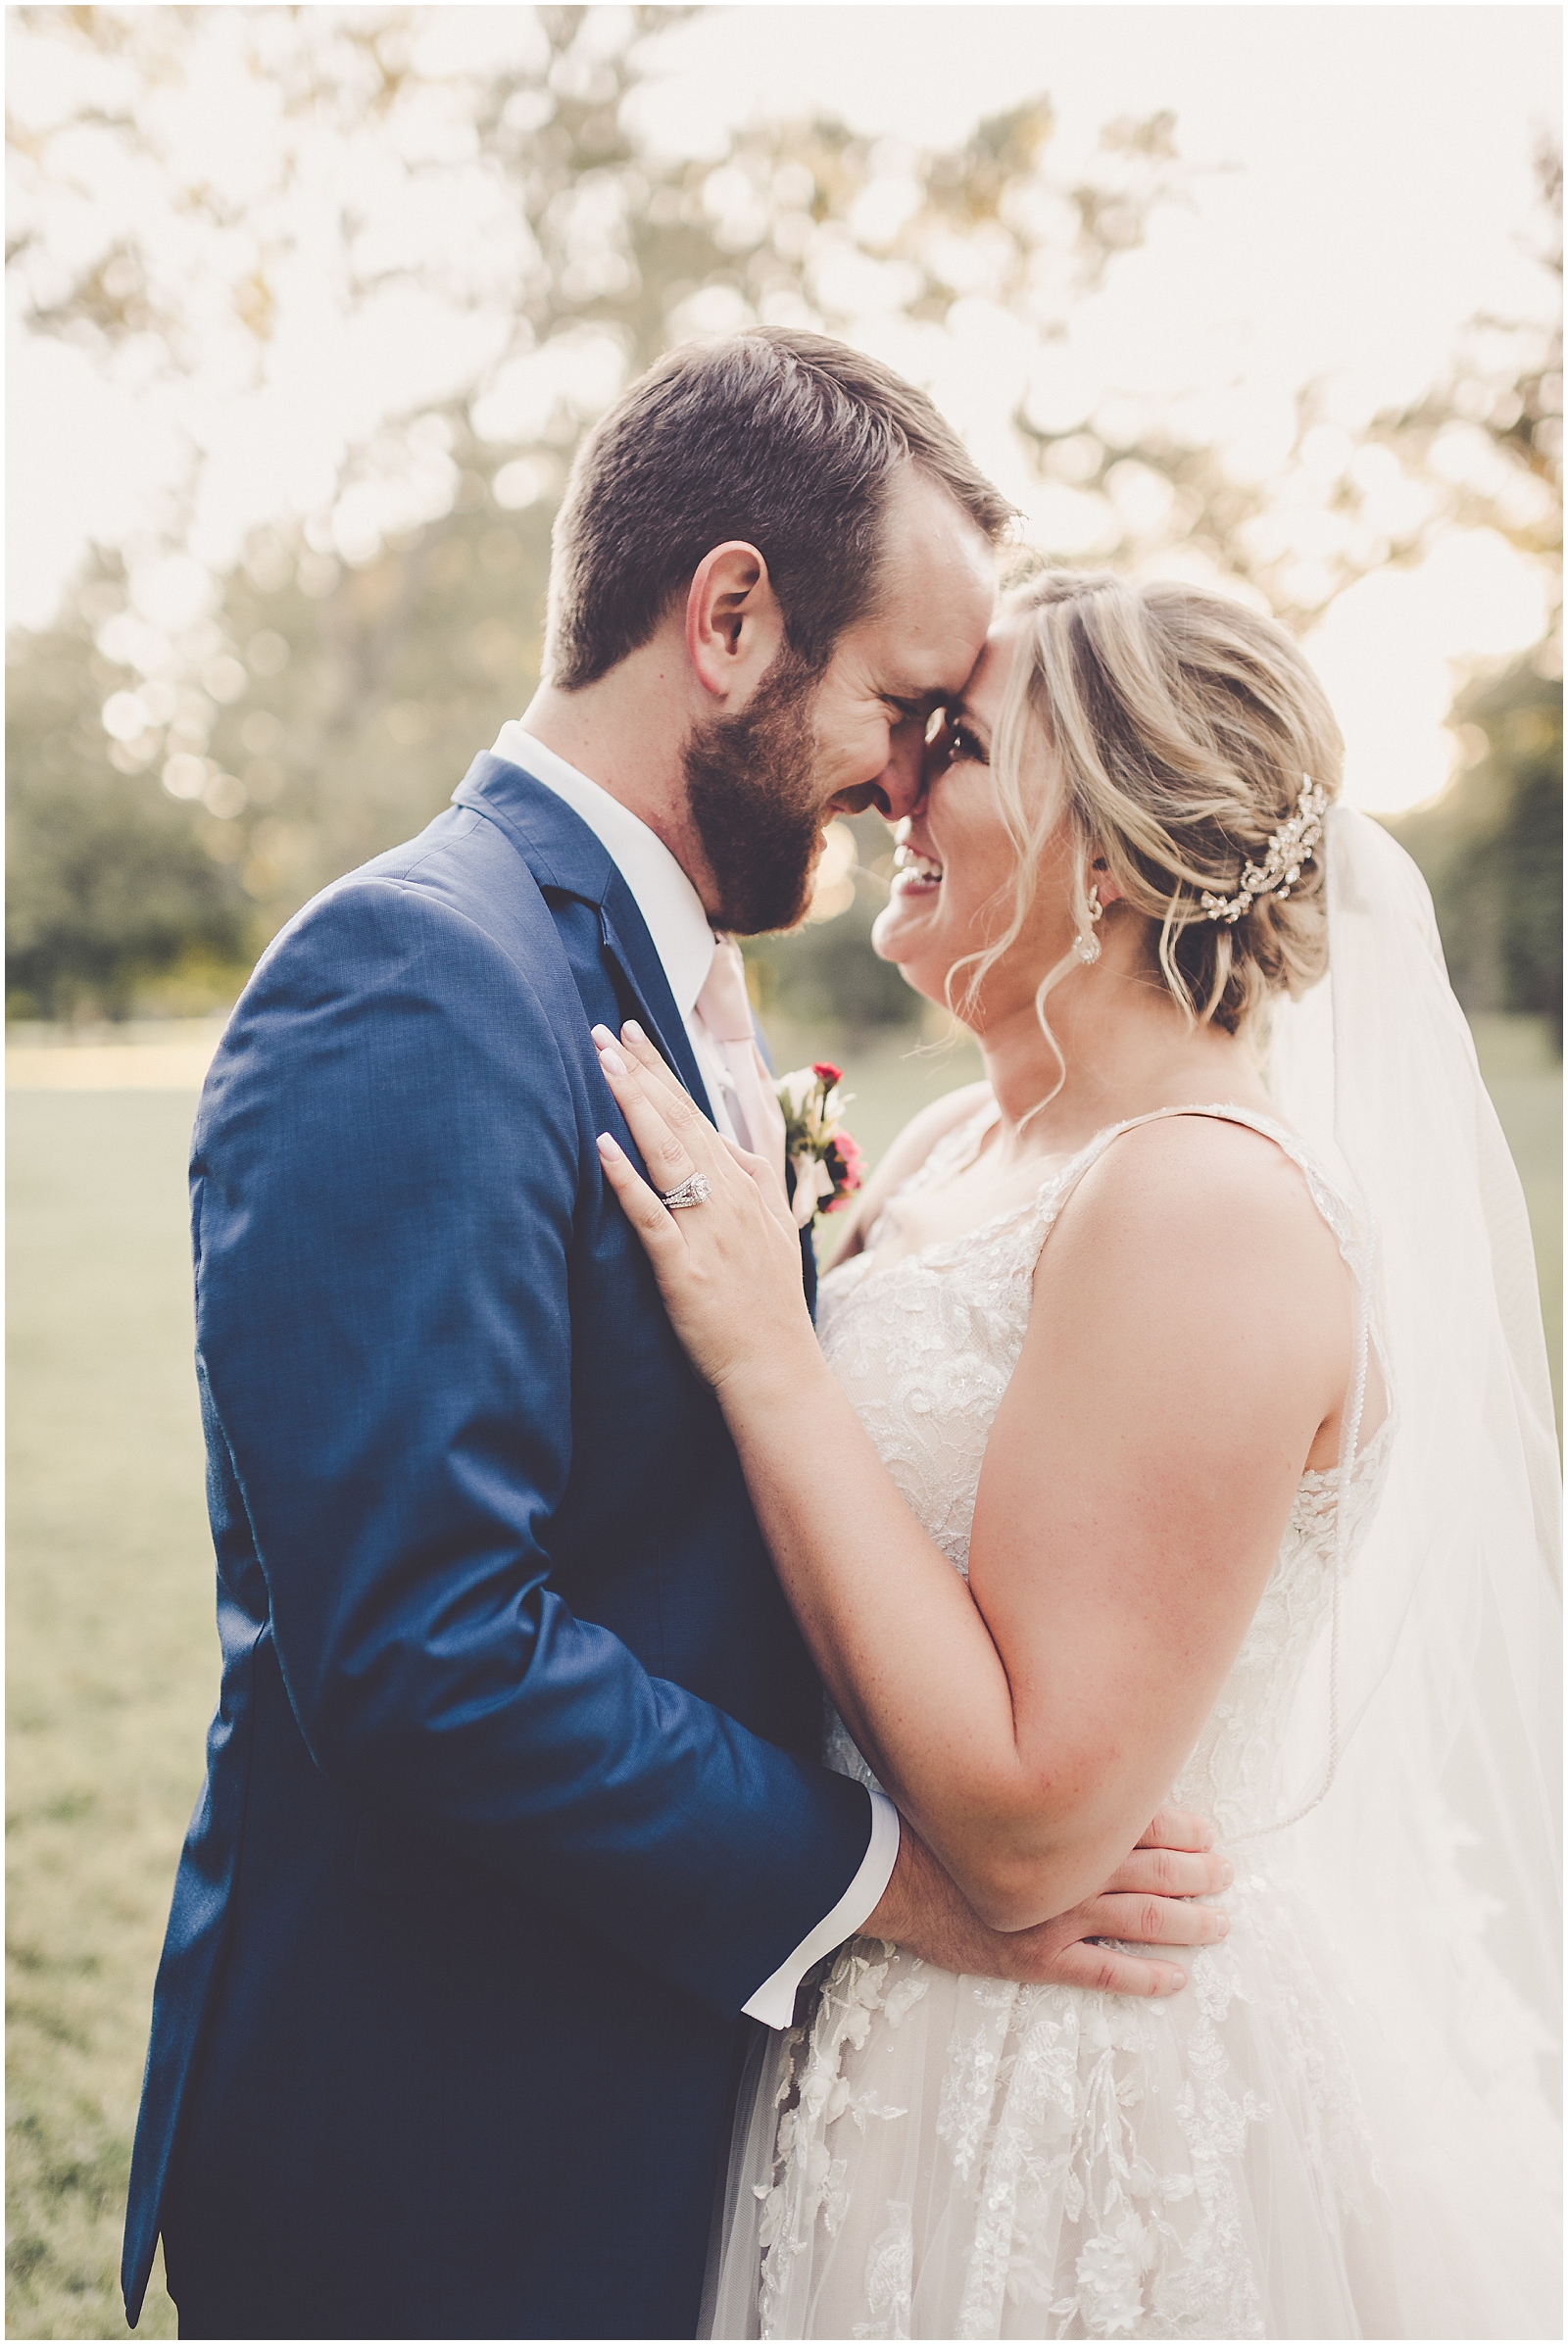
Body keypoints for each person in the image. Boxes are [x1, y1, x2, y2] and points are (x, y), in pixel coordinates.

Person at [121, 337, 1232, 2343]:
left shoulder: (666, 977)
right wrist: (907, 1887)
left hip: (658, 2109)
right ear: (726, 619)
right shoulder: (413, 976)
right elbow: (422, 1645)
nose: (906, 777)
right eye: (899, 707)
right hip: (444, 2153)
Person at [594, 566, 1563, 2339]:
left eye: (956, 743)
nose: (895, 782)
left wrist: (763, 1341)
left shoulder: (1205, 1206)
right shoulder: (978, 1134)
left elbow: (1036, 1829)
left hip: (1070, 2097)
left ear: (1104, 853)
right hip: (881, 2029)